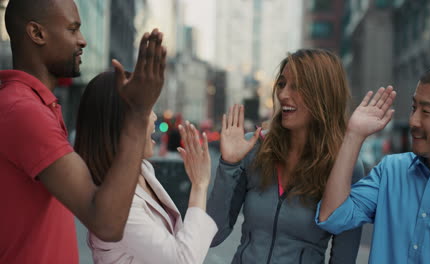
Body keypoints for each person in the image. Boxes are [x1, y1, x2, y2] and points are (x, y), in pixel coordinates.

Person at [0, 0, 166, 263]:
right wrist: (136, 114)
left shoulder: (34, 107)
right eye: (72, 29)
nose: (83, 40)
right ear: (37, 33)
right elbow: (107, 224)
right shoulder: (23, 111)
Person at [207, 49, 364, 263]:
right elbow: (212, 235)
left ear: (323, 94)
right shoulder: (255, 147)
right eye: (282, 84)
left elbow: (344, 258)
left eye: (296, 86)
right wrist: (228, 165)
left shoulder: (345, 165)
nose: (283, 95)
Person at [317, 65, 430, 263]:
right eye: (414, 108)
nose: (413, 121)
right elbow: (332, 218)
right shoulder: (390, 171)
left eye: (427, 112)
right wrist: (354, 135)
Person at [74, 71, 217, 263]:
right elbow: (183, 260)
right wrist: (199, 186)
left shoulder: (142, 170)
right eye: (148, 109)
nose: (155, 116)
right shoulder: (116, 203)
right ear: (121, 122)